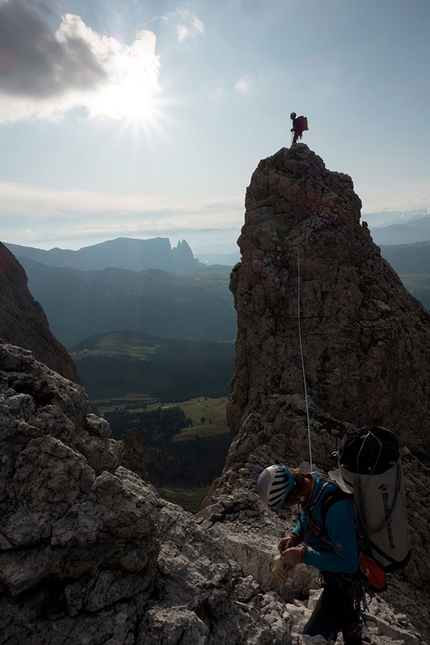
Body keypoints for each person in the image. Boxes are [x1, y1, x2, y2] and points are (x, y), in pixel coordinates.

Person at [257, 465, 364, 645]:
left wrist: (302, 556)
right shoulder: (310, 484)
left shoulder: (335, 508)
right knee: (349, 626)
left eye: (287, 503)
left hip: (346, 581)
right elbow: (310, 515)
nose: (289, 507)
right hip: (336, 576)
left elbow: (349, 563)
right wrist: (295, 536)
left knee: (312, 636)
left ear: (293, 494)